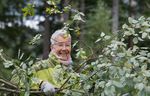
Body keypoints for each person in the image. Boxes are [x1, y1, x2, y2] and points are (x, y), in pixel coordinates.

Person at [32, 28, 73, 95]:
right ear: (52, 47)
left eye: (67, 45)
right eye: (60, 45)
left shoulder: (72, 74)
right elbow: (16, 80)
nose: (64, 48)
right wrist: (41, 84)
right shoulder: (40, 67)